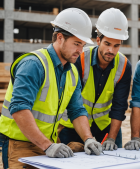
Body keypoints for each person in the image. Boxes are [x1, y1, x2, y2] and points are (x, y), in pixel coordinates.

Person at [0, 8, 103, 169]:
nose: (80, 51)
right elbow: (19, 109)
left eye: (82, 45)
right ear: (60, 38)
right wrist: (47, 146)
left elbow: (77, 110)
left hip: (49, 143)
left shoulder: (72, 72)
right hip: (20, 144)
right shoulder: (34, 65)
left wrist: (88, 138)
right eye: (76, 44)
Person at [59, 8, 131, 151]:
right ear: (98, 40)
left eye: (116, 46)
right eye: (107, 44)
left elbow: (119, 106)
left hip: (104, 126)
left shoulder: (124, 66)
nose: (111, 50)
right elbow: (73, 102)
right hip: (73, 125)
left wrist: (111, 137)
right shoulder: (80, 59)